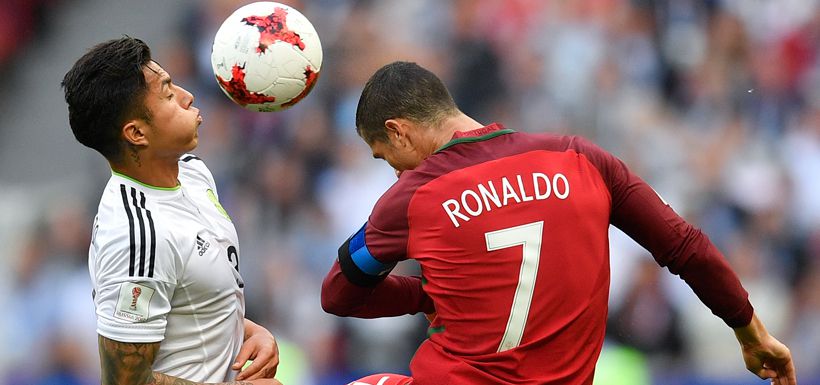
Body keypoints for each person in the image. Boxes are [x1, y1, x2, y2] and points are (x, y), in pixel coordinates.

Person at [321, 61, 797, 385]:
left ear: (397, 130)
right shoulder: (579, 156)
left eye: (388, 159)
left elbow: (339, 293)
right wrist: (750, 331)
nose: (397, 173)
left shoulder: (412, 195)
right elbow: (683, 245)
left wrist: (423, 295)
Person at [61, 36, 282, 385]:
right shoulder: (138, 238)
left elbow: (192, 299)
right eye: (167, 93)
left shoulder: (193, 172)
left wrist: (251, 332)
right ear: (136, 133)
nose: (186, 95)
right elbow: (125, 382)